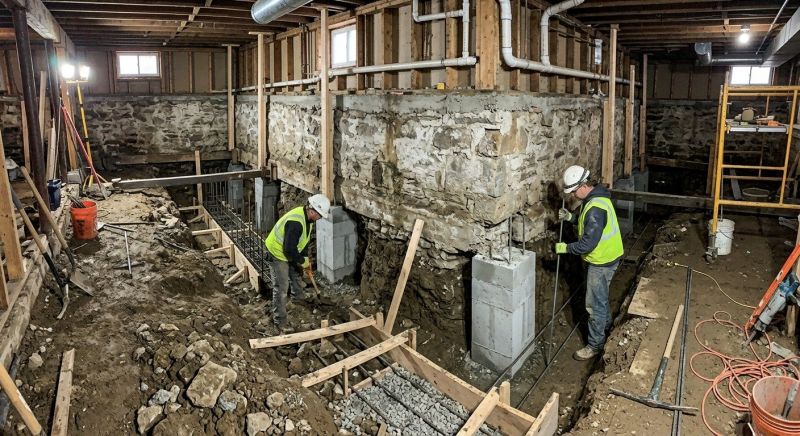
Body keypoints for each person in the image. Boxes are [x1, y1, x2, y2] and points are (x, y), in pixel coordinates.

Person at [555, 165, 624, 360]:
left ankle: (595, 345)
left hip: (601, 262)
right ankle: (608, 327)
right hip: (607, 257)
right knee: (600, 298)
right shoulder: (596, 197)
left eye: (575, 191)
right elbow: (587, 221)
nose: (574, 196)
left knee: (594, 304)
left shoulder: (595, 208)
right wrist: (571, 217)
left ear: (583, 185)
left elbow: (586, 244)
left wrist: (566, 248)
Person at [264, 193, 331, 331]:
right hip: (277, 253)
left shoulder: (309, 220)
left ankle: (298, 298)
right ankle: (280, 320)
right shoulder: (296, 222)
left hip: (289, 250)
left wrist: (305, 259)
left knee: (297, 272)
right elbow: (289, 249)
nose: (320, 218)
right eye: (319, 215)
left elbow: (303, 241)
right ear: (312, 210)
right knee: (282, 287)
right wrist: (301, 260)